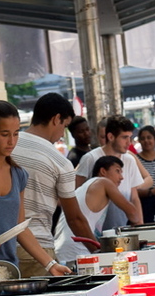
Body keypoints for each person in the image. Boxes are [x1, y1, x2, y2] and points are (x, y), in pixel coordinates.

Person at [0, 101, 70, 275]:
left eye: (16, 134)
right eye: (4, 134)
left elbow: (20, 227)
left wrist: (51, 265)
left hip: (7, 270)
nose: (11, 141)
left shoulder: (18, 174)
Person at [12, 93, 96, 277]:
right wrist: (97, 250)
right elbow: (75, 219)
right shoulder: (59, 161)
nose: (61, 135)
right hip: (38, 250)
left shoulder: (9, 145)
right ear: (56, 119)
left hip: (2, 249)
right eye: (64, 126)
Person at [54, 156, 141, 263]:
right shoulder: (104, 182)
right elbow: (133, 214)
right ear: (103, 171)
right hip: (77, 250)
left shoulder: (86, 187)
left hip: (62, 249)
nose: (121, 177)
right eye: (117, 171)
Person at [75, 114, 149, 228]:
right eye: (124, 137)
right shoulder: (90, 158)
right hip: (93, 231)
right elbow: (75, 194)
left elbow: (134, 197)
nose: (129, 142)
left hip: (122, 228)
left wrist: (140, 225)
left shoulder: (129, 160)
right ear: (110, 137)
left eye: (130, 137)